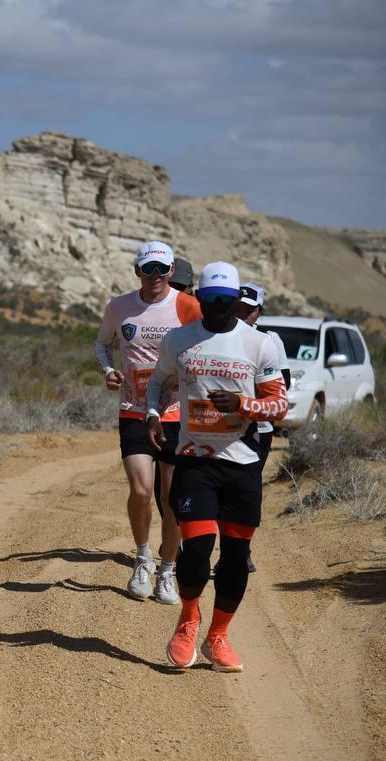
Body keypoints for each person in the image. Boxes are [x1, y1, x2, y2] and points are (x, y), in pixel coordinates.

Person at [145, 261, 287, 672]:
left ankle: (218, 636)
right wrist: (153, 415)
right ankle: (188, 620)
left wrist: (244, 405)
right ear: (200, 299)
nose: (219, 307)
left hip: (243, 464)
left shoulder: (259, 344)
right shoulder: (179, 340)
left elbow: (278, 404)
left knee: (236, 556)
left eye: (227, 300)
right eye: (210, 299)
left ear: (238, 300)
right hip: (195, 460)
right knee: (198, 550)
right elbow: (158, 383)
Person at [94, 241, 202, 604]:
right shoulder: (119, 307)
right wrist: (109, 370)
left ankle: (167, 570)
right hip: (134, 409)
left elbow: (208, 344)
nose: (154, 276)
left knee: (170, 497)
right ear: (137, 271)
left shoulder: (188, 307)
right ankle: (143, 559)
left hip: (175, 413)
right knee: (141, 491)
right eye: (148, 269)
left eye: (161, 269)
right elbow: (101, 345)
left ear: (171, 271)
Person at [218, 283, 291, 575]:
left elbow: (281, 386)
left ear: (260, 311)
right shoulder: (217, 335)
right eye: (238, 309)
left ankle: (238, 552)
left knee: (245, 490)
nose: (243, 314)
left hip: (257, 428)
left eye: (249, 310)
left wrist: (244, 402)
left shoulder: (269, 340)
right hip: (217, 428)